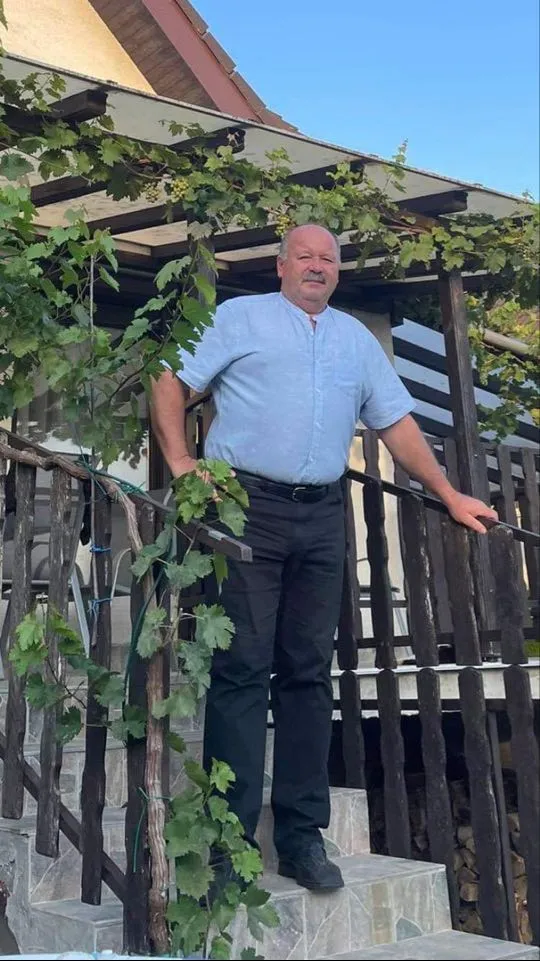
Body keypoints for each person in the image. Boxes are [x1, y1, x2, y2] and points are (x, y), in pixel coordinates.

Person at [151, 224, 497, 891]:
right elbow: (170, 380)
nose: (317, 266)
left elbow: (395, 423)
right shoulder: (240, 318)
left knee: (309, 673)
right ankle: (226, 845)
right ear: (280, 265)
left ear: (338, 271)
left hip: (320, 514)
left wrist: (450, 493)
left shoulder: (355, 340)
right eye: (305, 256)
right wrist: (182, 463)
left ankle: (301, 837)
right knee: (242, 669)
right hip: (244, 504)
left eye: (328, 259)